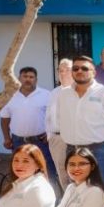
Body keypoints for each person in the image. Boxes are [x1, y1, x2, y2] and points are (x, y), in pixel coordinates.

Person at [55, 55, 104, 207]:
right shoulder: (64, 95)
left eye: (84, 68)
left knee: (103, 191)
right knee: (77, 191)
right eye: (76, 68)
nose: (79, 71)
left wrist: (101, 138)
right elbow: (60, 119)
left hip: (98, 151)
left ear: (94, 72)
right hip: (72, 150)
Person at [0, 67, 56, 185]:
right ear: (19, 78)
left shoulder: (46, 94)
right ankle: (23, 195)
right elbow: (5, 119)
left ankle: (51, 195)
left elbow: (54, 116)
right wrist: (6, 138)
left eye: (31, 77)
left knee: (47, 171)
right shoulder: (10, 96)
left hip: (41, 142)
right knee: (20, 172)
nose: (28, 79)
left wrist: (50, 133)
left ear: (36, 79)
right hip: (18, 141)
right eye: (25, 77)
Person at [45, 58, 73, 190]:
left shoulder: (79, 90)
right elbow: (48, 116)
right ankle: (66, 200)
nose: (63, 73)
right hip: (57, 140)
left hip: (75, 139)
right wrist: (50, 136)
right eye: (61, 70)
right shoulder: (54, 92)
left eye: (67, 70)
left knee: (76, 173)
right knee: (62, 174)